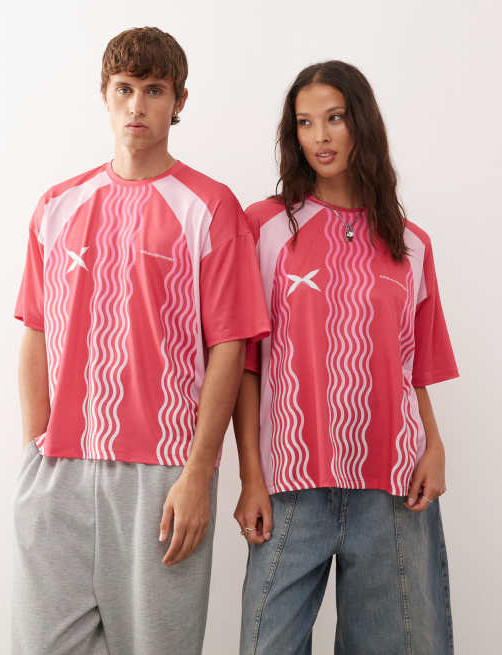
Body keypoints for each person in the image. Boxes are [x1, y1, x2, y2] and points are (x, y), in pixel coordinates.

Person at [12, 26, 269, 655]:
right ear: (104, 94)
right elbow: (36, 331)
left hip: (163, 477)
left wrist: (198, 473)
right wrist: (35, 451)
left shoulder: (210, 207)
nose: (137, 105)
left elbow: (230, 347)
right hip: (58, 474)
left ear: (179, 101)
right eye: (125, 88)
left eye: (154, 90)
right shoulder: (57, 206)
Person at [233, 60, 458, 655]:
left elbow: (413, 366)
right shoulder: (266, 228)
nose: (321, 136)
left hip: (393, 482)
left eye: (334, 118)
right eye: (305, 123)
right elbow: (246, 364)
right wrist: (251, 477)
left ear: (362, 123)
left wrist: (434, 445)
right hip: (290, 481)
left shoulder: (410, 244)